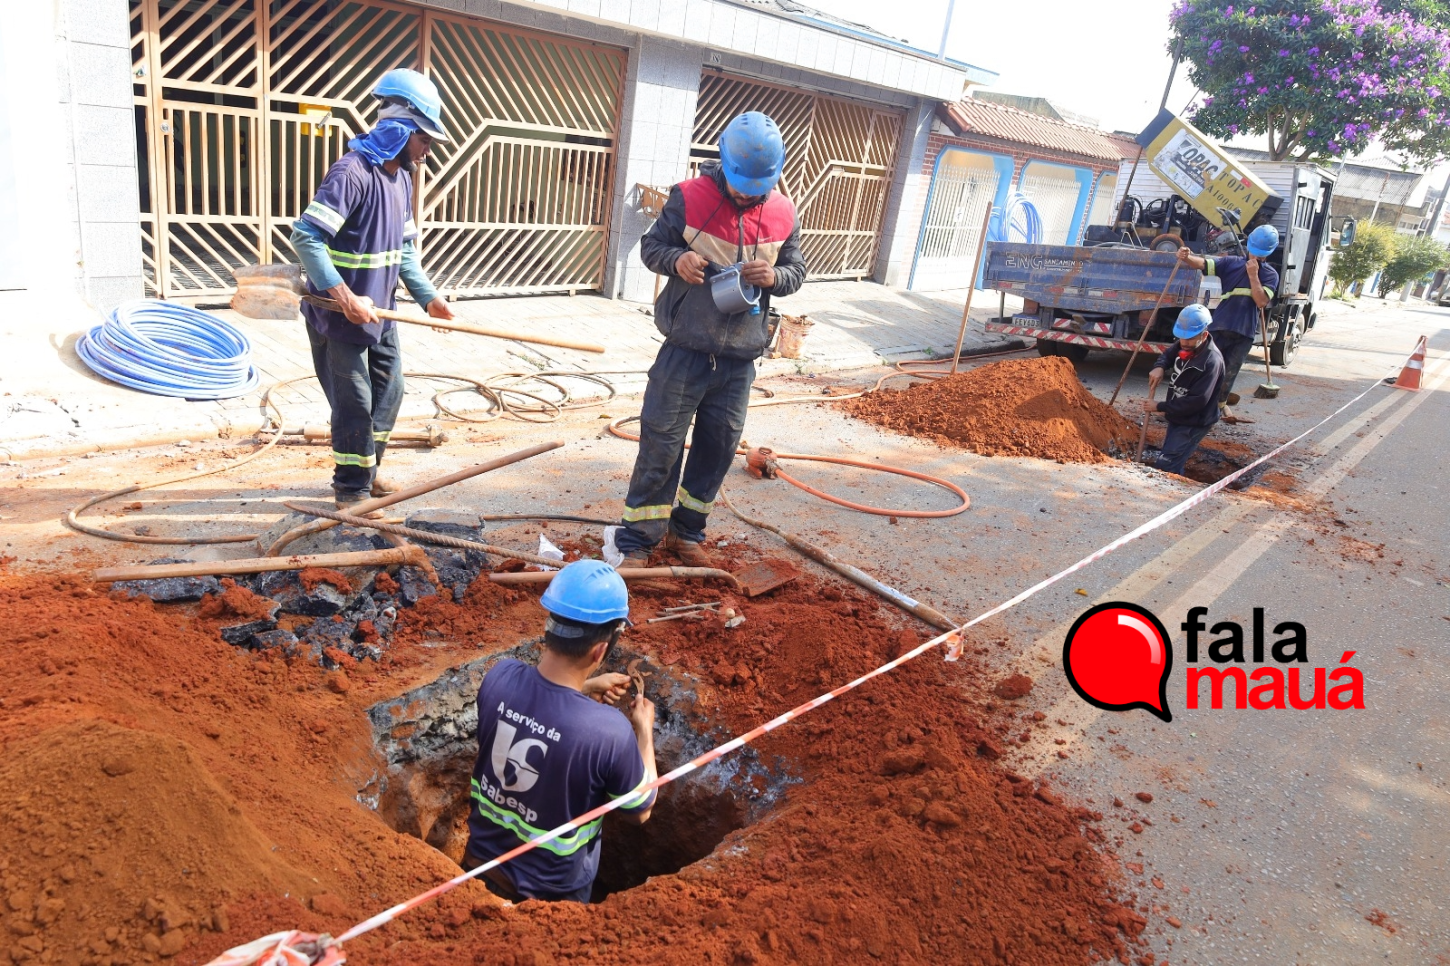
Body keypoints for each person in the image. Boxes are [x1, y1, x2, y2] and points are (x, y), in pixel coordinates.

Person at [615, 111, 808, 569]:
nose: (748, 192)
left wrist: (775, 275)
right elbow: (650, 247)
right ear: (724, 162)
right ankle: (639, 542)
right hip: (685, 350)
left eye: (758, 185)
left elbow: (797, 271)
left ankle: (686, 533)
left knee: (718, 448)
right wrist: (677, 259)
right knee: (661, 444)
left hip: (739, 359)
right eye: (743, 182)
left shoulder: (782, 211)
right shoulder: (689, 198)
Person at [291, 68, 456, 512]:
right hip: (338, 314)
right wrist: (345, 297)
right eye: (424, 140)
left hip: (381, 312)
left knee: (391, 390)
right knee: (355, 400)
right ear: (400, 128)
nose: (426, 151)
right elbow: (306, 237)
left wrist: (429, 298)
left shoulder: (401, 179)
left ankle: (367, 469)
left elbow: (403, 251)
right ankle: (351, 490)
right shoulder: (351, 174)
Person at [462, 560, 657, 903]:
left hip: (477, 872)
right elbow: (639, 810)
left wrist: (584, 688)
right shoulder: (608, 731)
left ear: (549, 627)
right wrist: (644, 731)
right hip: (551, 904)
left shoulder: (499, 676)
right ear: (600, 650)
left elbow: (538, 709)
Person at [1174, 225, 1280, 421]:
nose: (1258, 257)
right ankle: (1181, 405)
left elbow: (1261, 301)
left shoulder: (1270, 275)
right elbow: (1204, 264)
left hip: (1244, 333)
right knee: (1201, 368)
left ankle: (1215, 409)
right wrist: (1186, 257)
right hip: (1220, 327)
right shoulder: (1230, 263)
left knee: (1228, 374)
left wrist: (1253, 275)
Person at [1144, 304, 1226, 476]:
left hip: (1194, 421)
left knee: (1167, 465)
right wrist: (1160, 366)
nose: (1184, 343)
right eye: (1181, 338)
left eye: (1189, 338)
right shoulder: (1186, 343)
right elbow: (1168, 354)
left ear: (1204, 335)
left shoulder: (1211, 362)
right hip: (1178, 415)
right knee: (1172, 457)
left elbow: (1197, 401)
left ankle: (1171, 497)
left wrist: (1159, 406)